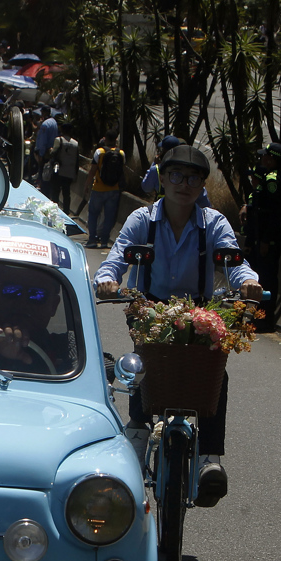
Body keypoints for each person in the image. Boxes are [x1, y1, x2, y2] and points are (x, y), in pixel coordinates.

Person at [95, 144, 262, 508]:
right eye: (175, 175)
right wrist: (107, 281)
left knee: (217, 374)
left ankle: (208, 461)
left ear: (202, 184)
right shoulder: (142, 220)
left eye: (193, 177)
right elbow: (116, 257)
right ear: (161, 178)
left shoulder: (214, 223)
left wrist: (248, 281)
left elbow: (234, 261)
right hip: (150, 309)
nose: (183, 184)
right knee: (142, 368)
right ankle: (137, 440)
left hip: (201, 314)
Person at [241, 141, 281, 323]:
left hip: (269, 236)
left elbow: (273, 214)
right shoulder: (268, 177)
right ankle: (257, 316)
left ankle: (265, 319)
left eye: (265, 156)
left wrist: (266, 240)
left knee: (267, 278)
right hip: (262, 234)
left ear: (272, 160)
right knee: (260, 274)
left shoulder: (272, 180)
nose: (262, 158)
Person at [141, 135, 213, 208]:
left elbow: (146, 187)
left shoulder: (156, 169)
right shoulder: (192, 175)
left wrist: (154, 163)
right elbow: (205, 203)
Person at [84, 130, 124, 249]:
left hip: (98, 189)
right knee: (109, 216)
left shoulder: (99, 152)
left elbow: (92, 171)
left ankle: (92, 239)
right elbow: (122, 171)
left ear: (105, 139)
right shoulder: (121, 153)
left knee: (93, 214)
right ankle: (105, 241)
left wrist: (87, 185)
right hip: (114, 190)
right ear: (116, 140)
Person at [44, 121, 79, 212]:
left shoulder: (58, 140)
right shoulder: (75, 143)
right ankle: (66, 211)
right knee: (66, 193)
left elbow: (53, 153)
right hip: (69, 172)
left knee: (55, 192)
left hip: (58, 171)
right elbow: (77, 160)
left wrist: (50, 150)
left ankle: (54, 210)